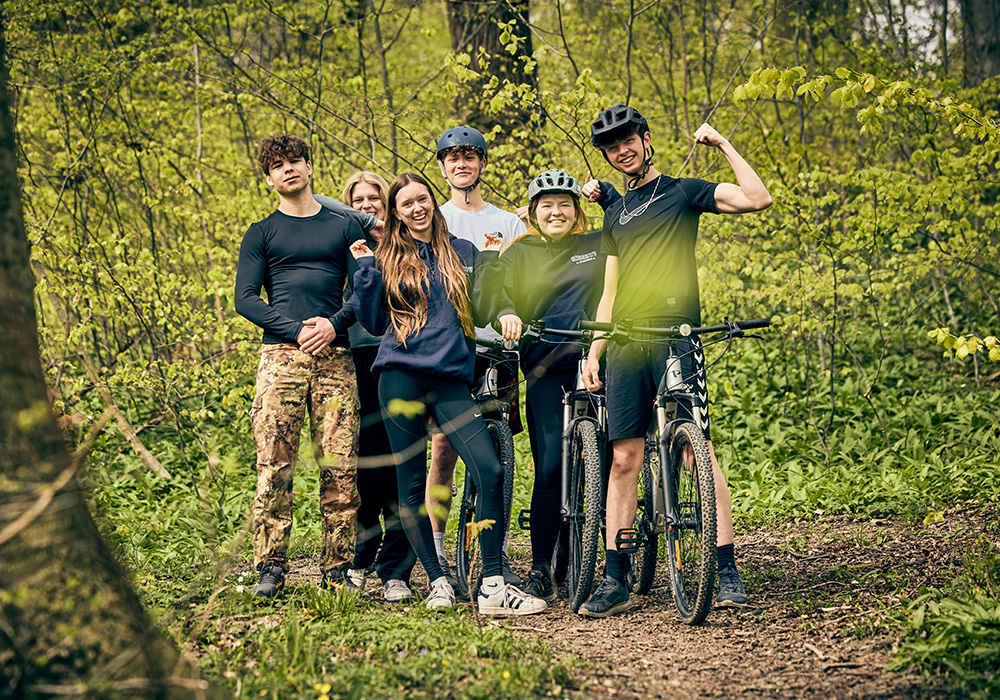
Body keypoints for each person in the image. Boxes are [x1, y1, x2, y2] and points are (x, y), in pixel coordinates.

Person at [579, 105, 772, 618]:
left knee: (696, 452)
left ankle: (725, 569)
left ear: (645, 139)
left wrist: (723, 144)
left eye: (629, 139)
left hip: (676, 338)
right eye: (612, 146)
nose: (622, 150)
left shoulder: (683, 191)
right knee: (624, 458)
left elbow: (758, 198)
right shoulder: (616, 214)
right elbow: (609, 291)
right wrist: (594, 351)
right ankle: (615, 576)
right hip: (623, 343)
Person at [349, 172, 546, 615]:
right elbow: (375, 323)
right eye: (406, 205)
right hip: (399, 376)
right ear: (396, 214)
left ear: (432, 203)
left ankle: (493, 585)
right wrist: (364, 271)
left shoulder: (462, 250)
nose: (416, 208)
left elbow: (484, 307)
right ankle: (437, 581)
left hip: (451, 379)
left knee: (489, 470)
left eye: (422, 200)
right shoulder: (384, 258)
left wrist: (495, 264)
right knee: (411, 486)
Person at [234, 134, 364, 598]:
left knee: (340, 464)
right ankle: (270, 568)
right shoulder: (262, 232)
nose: (288, 169)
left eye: (295, 161)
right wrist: (298, 331)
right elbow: (245, 299)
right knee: (274, 464)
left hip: (336, 357)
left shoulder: (345, 227)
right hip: (280, 360)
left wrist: (332, 325)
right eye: (277, 165)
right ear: (269, 178)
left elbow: (365, 290)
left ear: (310, 167)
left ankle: (337, 569)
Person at [491, 169, 606, 601]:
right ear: (534, 213)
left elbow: (629, 242)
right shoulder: (521, 253)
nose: (555, 211)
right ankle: (540, 566)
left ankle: (609, 556)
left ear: (576, 210)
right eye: (546, 205)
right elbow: (499, 292)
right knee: (550, 468)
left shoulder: (595, 245)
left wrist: (608, 198)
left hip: (597, 360)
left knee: (611, 458)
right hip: (545, 367)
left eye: (564, 204)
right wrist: (506, 313)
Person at [426, 126, 527, 587]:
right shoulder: (434, 219)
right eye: (452, 158)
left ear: (483, 163)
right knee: (443, 448)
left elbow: (523, 277)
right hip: (451, 349)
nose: (461, 164)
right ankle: (438, 549)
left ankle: (496, 550)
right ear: (443, 166)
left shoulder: (509, 221)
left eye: (469, 156)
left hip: (499, 347)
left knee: (499, 446)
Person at [335, 171, 417, 603]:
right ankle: (362, 557)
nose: (367, 205)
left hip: (402, 358)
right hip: (359, 357)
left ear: (388, 204)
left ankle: (397, 568)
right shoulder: (342, 242)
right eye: (358, 199)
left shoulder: (405, 246)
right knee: (367, 462)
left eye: (374, 198)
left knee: (402, 462)